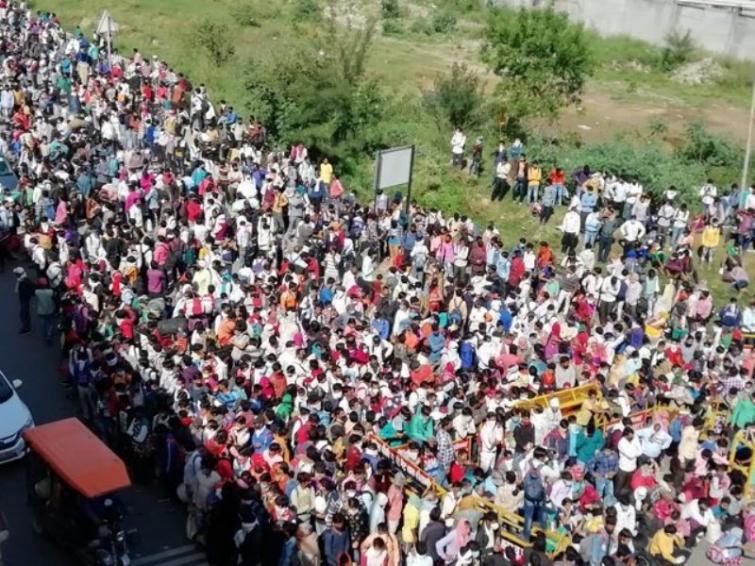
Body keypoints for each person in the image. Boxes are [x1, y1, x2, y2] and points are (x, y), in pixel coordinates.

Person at [14, 267, 34, 334]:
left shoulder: (23, 281)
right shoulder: (22, 279)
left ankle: (26, 328)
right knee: (24, 314)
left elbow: (18, 290)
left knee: (24, 314)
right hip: (24, 299)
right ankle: (26, 327)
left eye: (16, 273)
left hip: (24, 299)